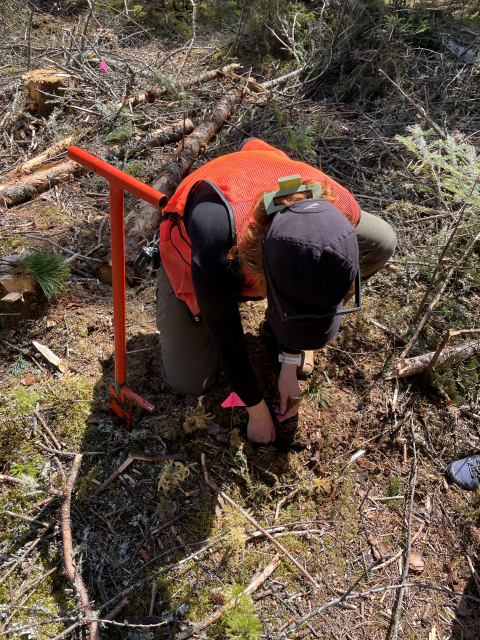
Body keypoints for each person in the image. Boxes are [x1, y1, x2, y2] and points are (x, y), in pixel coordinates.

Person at [156, 138, 396, 444]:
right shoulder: (216, 239)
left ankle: (291, 326)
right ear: (264, 274)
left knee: (381, 240)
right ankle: (283, 321)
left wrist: (289, 363)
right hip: (197, 243)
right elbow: (226, 334)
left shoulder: (341, 210)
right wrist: (256, 411)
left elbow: (316, 267)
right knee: (189, 382)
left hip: (267, 190)